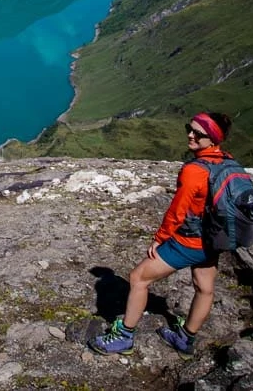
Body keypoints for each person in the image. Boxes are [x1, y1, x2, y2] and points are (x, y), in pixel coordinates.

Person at [89, 111, 233, 358]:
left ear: (212, 138)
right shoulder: (228, 162)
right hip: (214, 239)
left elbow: (179, 209)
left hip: (190, 241)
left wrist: (160, 238)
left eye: (198, 133)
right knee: (204, 288)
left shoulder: (195, 170)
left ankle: (124, 336)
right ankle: (185, 339)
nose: (190, 134)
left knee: (138, 278)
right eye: (190, 128)